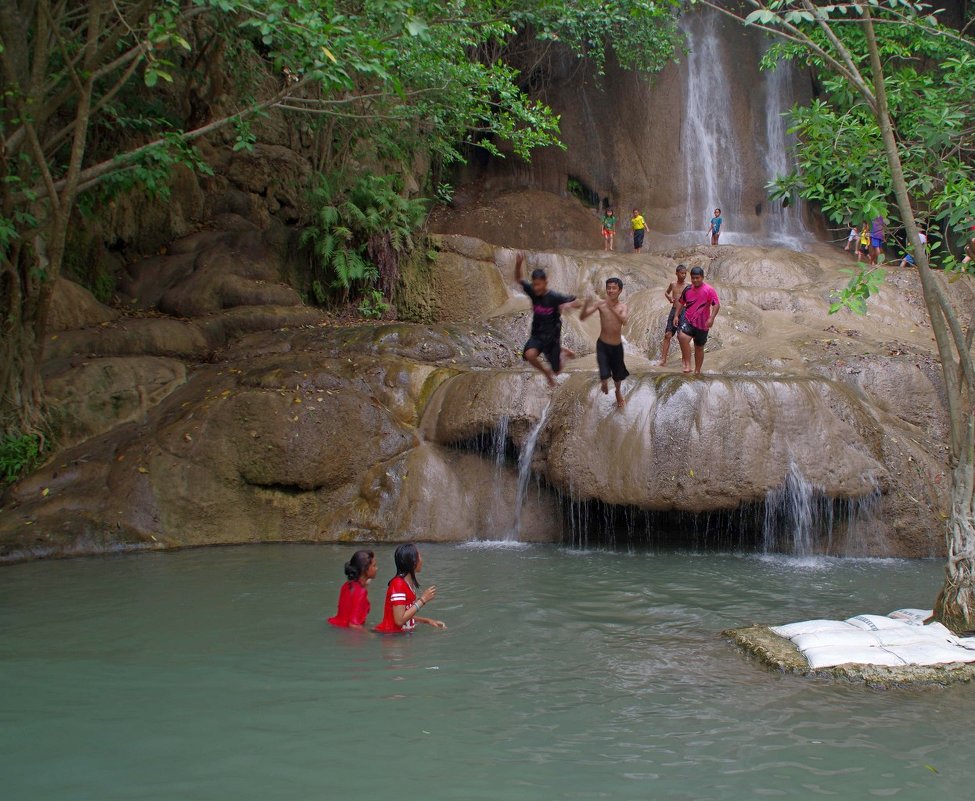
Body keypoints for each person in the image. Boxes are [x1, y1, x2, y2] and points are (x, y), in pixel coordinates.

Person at [515, 252, 580, 387]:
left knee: (557, 371)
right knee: (529, 355)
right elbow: (519, 279)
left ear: (545, 282)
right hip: (537, 335)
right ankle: (546, 374)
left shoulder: (554, 297)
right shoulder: (533, 292)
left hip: (552, 338)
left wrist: (567, 305)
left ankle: (562, 353)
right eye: (534, 285)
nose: (536, 288)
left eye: (539, 284)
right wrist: (518, 263)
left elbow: (577, 301)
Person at [580, 277, 630, 408]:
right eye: (609, 288)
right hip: (602, 344)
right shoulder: (600, 304)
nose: (611, 290)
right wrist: (586, 304)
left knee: (618, 375)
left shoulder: (622, 307)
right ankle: (604, 382)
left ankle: (618, 392)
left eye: (614, 288)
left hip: (617, 346)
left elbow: (624, 321)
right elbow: (583, 317)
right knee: (603, 372)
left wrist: (612, 308)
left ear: (620, 290)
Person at [375, 543, 446, 632]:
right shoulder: (398, 584)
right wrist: (423, 600)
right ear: (412, 561)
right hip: (392, 638)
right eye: (419, 556)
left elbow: (406, 615)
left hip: (399, 637)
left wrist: (428, 621)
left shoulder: (408, 583)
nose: (421, 560)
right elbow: (399, 620)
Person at [674, 266, 720, 374]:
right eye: (693, 278)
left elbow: (716, 305)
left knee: (699, 347)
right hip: (689, 320)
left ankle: (697, 370)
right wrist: (676, 315)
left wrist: (711, 318)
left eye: (697, 278)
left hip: (702, 324)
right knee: (682, 336)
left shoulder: (709, 290)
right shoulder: (688, 289)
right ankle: (688, 365)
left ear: (702, 277)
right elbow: (681, 302)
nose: (695, 280)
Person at [328, 549, 377, 628]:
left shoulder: (347, 585)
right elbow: (353, 625)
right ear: (364, 569)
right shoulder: (361, 592)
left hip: (337, 627)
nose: (376, 568)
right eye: (374, 566)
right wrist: (371, 636)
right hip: (350, 636)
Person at [657, 263, 688, 367]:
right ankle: (663, 359)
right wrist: (669, 298)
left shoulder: (688, 286)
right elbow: (666, 292)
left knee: (681, 336)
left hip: (684, 311)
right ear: (676, 273)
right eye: (681, 273)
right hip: (674, 310)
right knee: (667, 335)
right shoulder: (673, 284)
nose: (683, 275)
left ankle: (685, 360)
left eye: (685, 273)